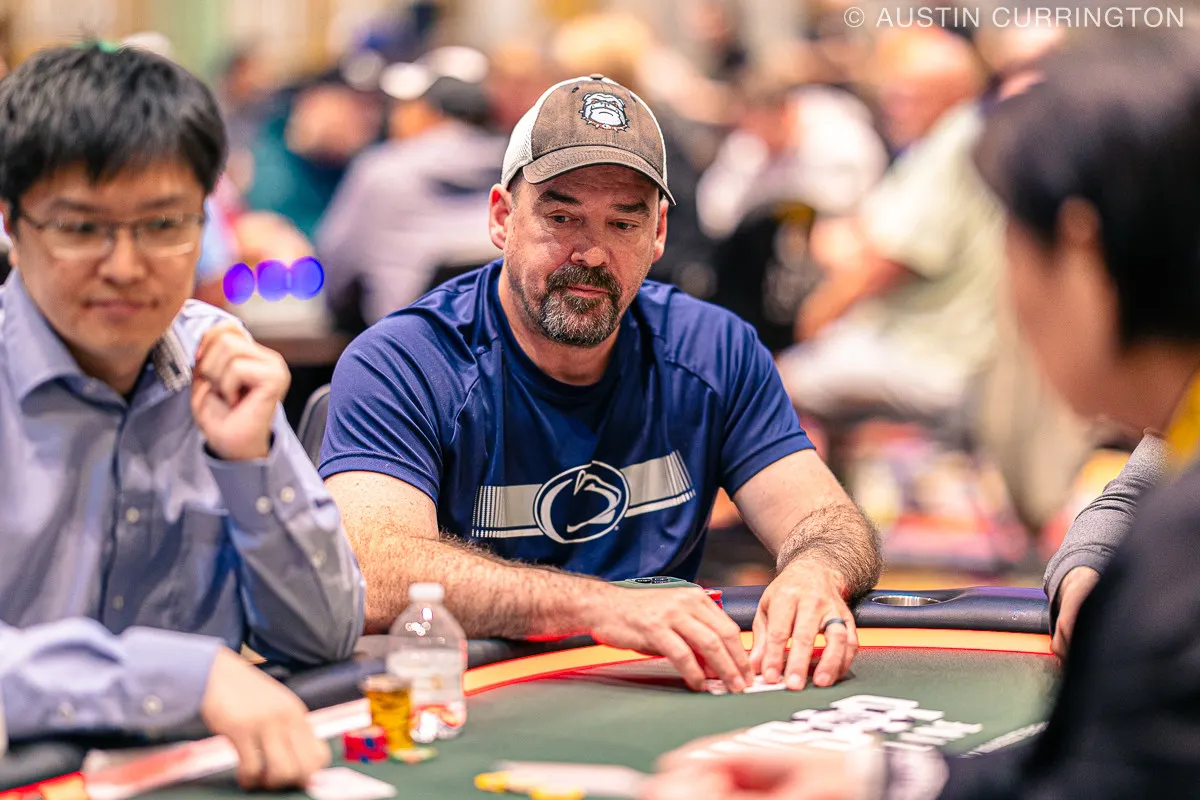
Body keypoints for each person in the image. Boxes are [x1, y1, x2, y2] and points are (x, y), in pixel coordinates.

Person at [643, 32, 1200, 799]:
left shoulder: (1178, 567)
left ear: (1080, 250)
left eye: (1011, 243)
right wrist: (881, 777)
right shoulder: (1176, 474)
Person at [321, 74, 881, 695]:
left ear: (658, 232)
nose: (590, 254)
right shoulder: (405, 361)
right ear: (503, 218)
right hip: (475, 696)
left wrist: (815, 570)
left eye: (622, 224)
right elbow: (372, 569)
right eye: (562, 217)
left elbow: (827, 519)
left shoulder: (714, 349)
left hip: (660, 688)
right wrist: (600, 606)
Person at [0, 44, 364, 790]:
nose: (125, 266)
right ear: (12, 221)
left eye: (163, 225)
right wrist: (181, 677)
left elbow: (325, 636)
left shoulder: (219, 364)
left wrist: (249, 462)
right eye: (81, 229)